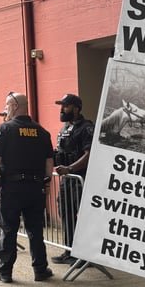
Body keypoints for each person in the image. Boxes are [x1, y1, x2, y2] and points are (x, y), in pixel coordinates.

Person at [0, 91, 54, 283]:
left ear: (14, 106)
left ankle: (5, 272)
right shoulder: (42, 132)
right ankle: (40, 269)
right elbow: (49, 164)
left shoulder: (5, 130)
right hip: (35, 188)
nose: (6, 110)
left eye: (7, 106)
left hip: (12, 188)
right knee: (35, 230)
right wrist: (46, 184)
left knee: (8, 229)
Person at [52, 93, 94, 264]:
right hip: (67, 180)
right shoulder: (65, 129)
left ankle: (86, 256)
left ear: (76, 108)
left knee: (83, 216)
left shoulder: (86, 127)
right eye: (61, 106)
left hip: (81, 179)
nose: (62, 109)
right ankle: (70, 251)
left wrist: (70, 168)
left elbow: (89, 154)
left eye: (66, 106)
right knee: (66, 212)